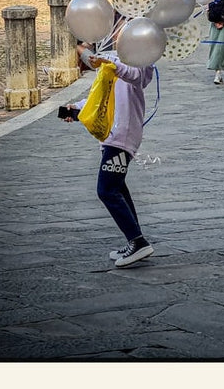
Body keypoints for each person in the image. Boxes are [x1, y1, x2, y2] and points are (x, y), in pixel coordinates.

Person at [65, 37, 156, 268]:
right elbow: (101, 98)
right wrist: (75, 109)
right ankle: (135, 239)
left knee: (106, 190)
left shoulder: (139, 61)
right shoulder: (113, 60)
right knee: (118, 188)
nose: (116, 35)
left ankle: (138, 241)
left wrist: (110, 62)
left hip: (123, 136)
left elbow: (136, 76)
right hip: (112, 136)